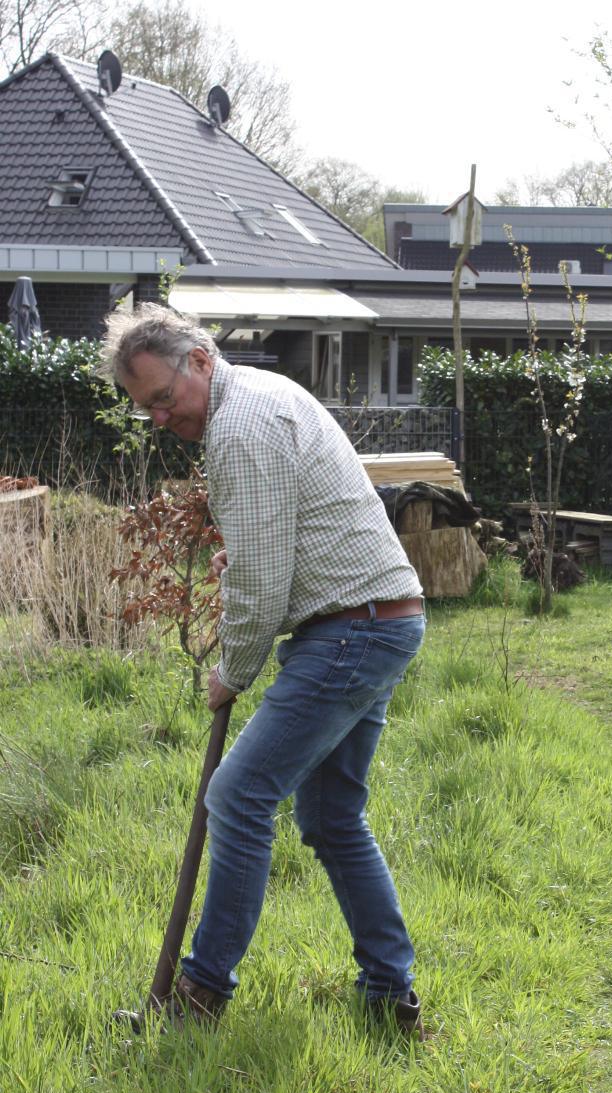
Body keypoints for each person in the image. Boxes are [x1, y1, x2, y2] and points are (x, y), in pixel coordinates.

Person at [99, 303, 427, 1036]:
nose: (158, 418)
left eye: (162, 398)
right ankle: (388, 992)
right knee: (332, 817)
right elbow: (276, 540)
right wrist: (244, 556)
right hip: (379, 618)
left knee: (238, 794)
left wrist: (233, 670)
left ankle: (200, 994)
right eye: (145, 408)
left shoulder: (239, 427)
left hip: (349, 632)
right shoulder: (263, 397)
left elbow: (260, 582)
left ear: (201, 362)